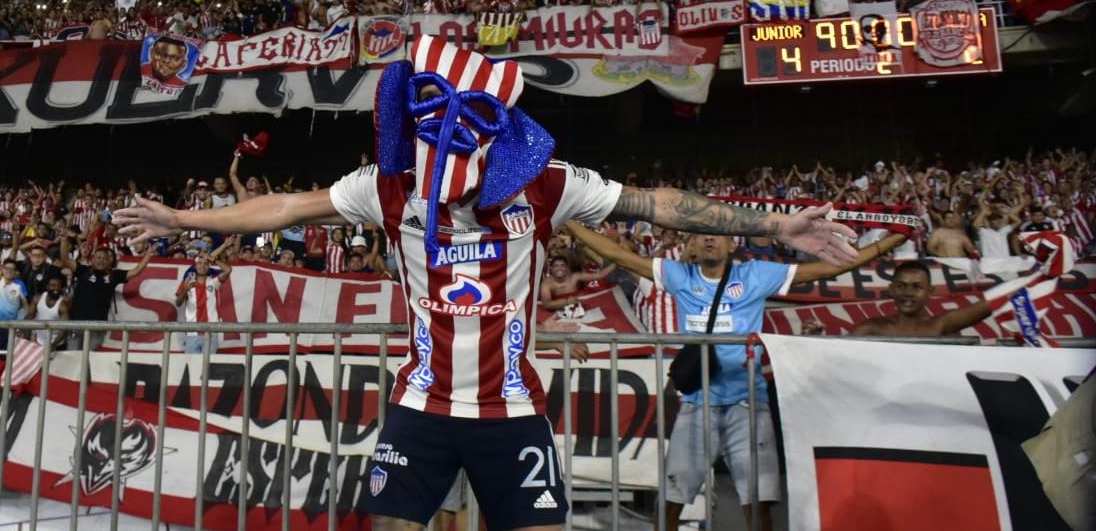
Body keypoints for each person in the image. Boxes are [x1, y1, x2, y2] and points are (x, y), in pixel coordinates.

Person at [115, 35, 856, 531]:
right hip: (419, 406)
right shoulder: (390, 185)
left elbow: (655, 203)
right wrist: (185, 217)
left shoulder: (546, 185)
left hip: (513, 412)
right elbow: (284, 204)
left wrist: (772, 227)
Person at [566, 222, 903, 531]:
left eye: (719, 234)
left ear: (732, 245)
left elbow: (835, 265)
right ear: (694, 244)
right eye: (702, 234)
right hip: (696, 407)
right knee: (670, 504)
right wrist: (564, 218)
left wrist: (892, 240)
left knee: (757, 508)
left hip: (748, 406)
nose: (710, 238)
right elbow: (614, 253)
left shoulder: (756, 275)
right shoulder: (679, 275)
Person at [849, 260, 1001, 336]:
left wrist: (1023, 283)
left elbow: (990, 303)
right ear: (892, 290)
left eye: (917, 287)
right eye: (901, 286)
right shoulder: (871, 328)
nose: (908, 292)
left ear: (930, 291)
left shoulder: (940, 324)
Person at [58, 238, 154, 350]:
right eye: (98, 257)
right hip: (76, 324)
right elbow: (64, 260)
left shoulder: (114, 275)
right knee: (73, 358)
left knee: (90, 359)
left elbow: (136, 271)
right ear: (93, 259)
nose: (101, 260)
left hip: (97, 326)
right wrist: (64, 239)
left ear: (109, 261)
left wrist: (148, 256)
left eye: (104, 258)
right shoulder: (83, 270)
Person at [175, 251, 232, 354]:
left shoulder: (213, 281)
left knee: (207, 367)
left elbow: (228, 270)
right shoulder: (187, 282)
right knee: (192, 367)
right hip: (192, 333)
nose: (203, 266)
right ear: (195, 266)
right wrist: (186, 290)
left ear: (209, 265)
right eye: (200, 263)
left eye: (206, 263)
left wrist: (212, 258)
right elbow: (178, 303)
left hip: (211, 332)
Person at [27, 274, 69, 347]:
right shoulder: (37, 298)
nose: (56, 288)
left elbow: (64, 329)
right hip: (38, 341)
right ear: (47, 286)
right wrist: (22, 330)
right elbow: (30, 316)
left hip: (57, 344)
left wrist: (53, 345)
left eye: (59, 286)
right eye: (53, 285)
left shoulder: (63, 305)